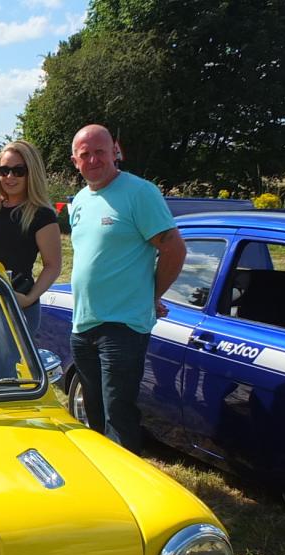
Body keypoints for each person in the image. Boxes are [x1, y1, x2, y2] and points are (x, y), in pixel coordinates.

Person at [68, 124, 186, 454]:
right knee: (93, 413)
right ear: (75, 160)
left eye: (100, 151)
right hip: (84, 324)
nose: (93, 159)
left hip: (122, 327)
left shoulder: (140, 193)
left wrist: (152, 296)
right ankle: (101, 483)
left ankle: (126, 494)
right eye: (85, 154)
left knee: (118, 414)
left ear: (115, 151)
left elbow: (174, 249)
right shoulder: (79, 201)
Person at [0, 139, 62, 342]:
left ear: (31, 172)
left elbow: (53, 265)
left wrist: (29, 298)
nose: (10, 176)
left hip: (19, 307)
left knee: (6, 371)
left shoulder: (41, 214)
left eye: (18, 170)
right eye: (4, 170)